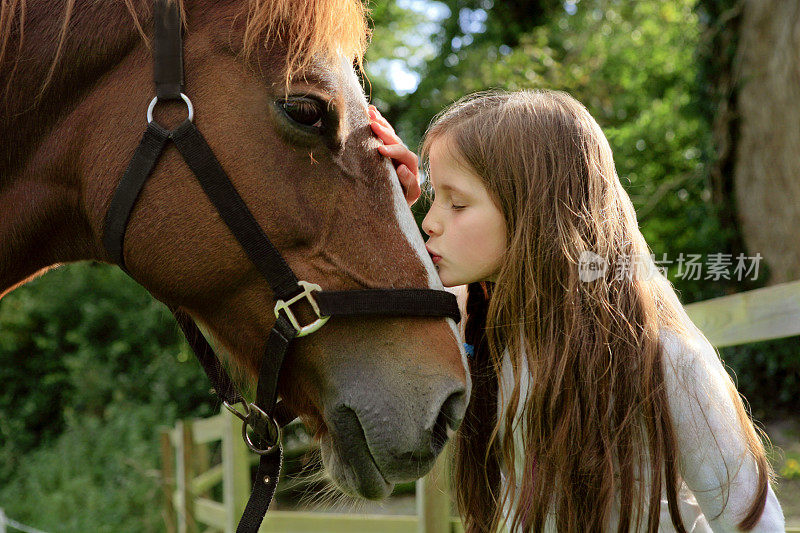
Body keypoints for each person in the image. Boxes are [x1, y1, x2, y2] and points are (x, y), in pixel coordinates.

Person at [368, 90, 784, 532]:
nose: (430, 222)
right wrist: (385, 205)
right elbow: (370, 311)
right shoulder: (479, 324)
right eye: (433, 199)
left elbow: (754, 524)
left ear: (535, 212)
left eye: (457, 202)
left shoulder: (664, 358)